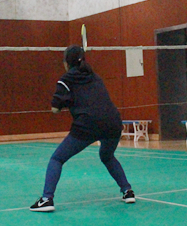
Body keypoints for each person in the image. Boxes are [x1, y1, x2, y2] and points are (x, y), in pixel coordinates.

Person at [30, 45, 135, 212]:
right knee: (107, 156)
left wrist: (67, 102)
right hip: (113, 123)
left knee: (57, 159)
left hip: (88, 125)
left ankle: (46, 199)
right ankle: (127, 191)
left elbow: (55, 109)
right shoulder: (95, 76)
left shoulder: (65, 80)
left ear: (66, 63)